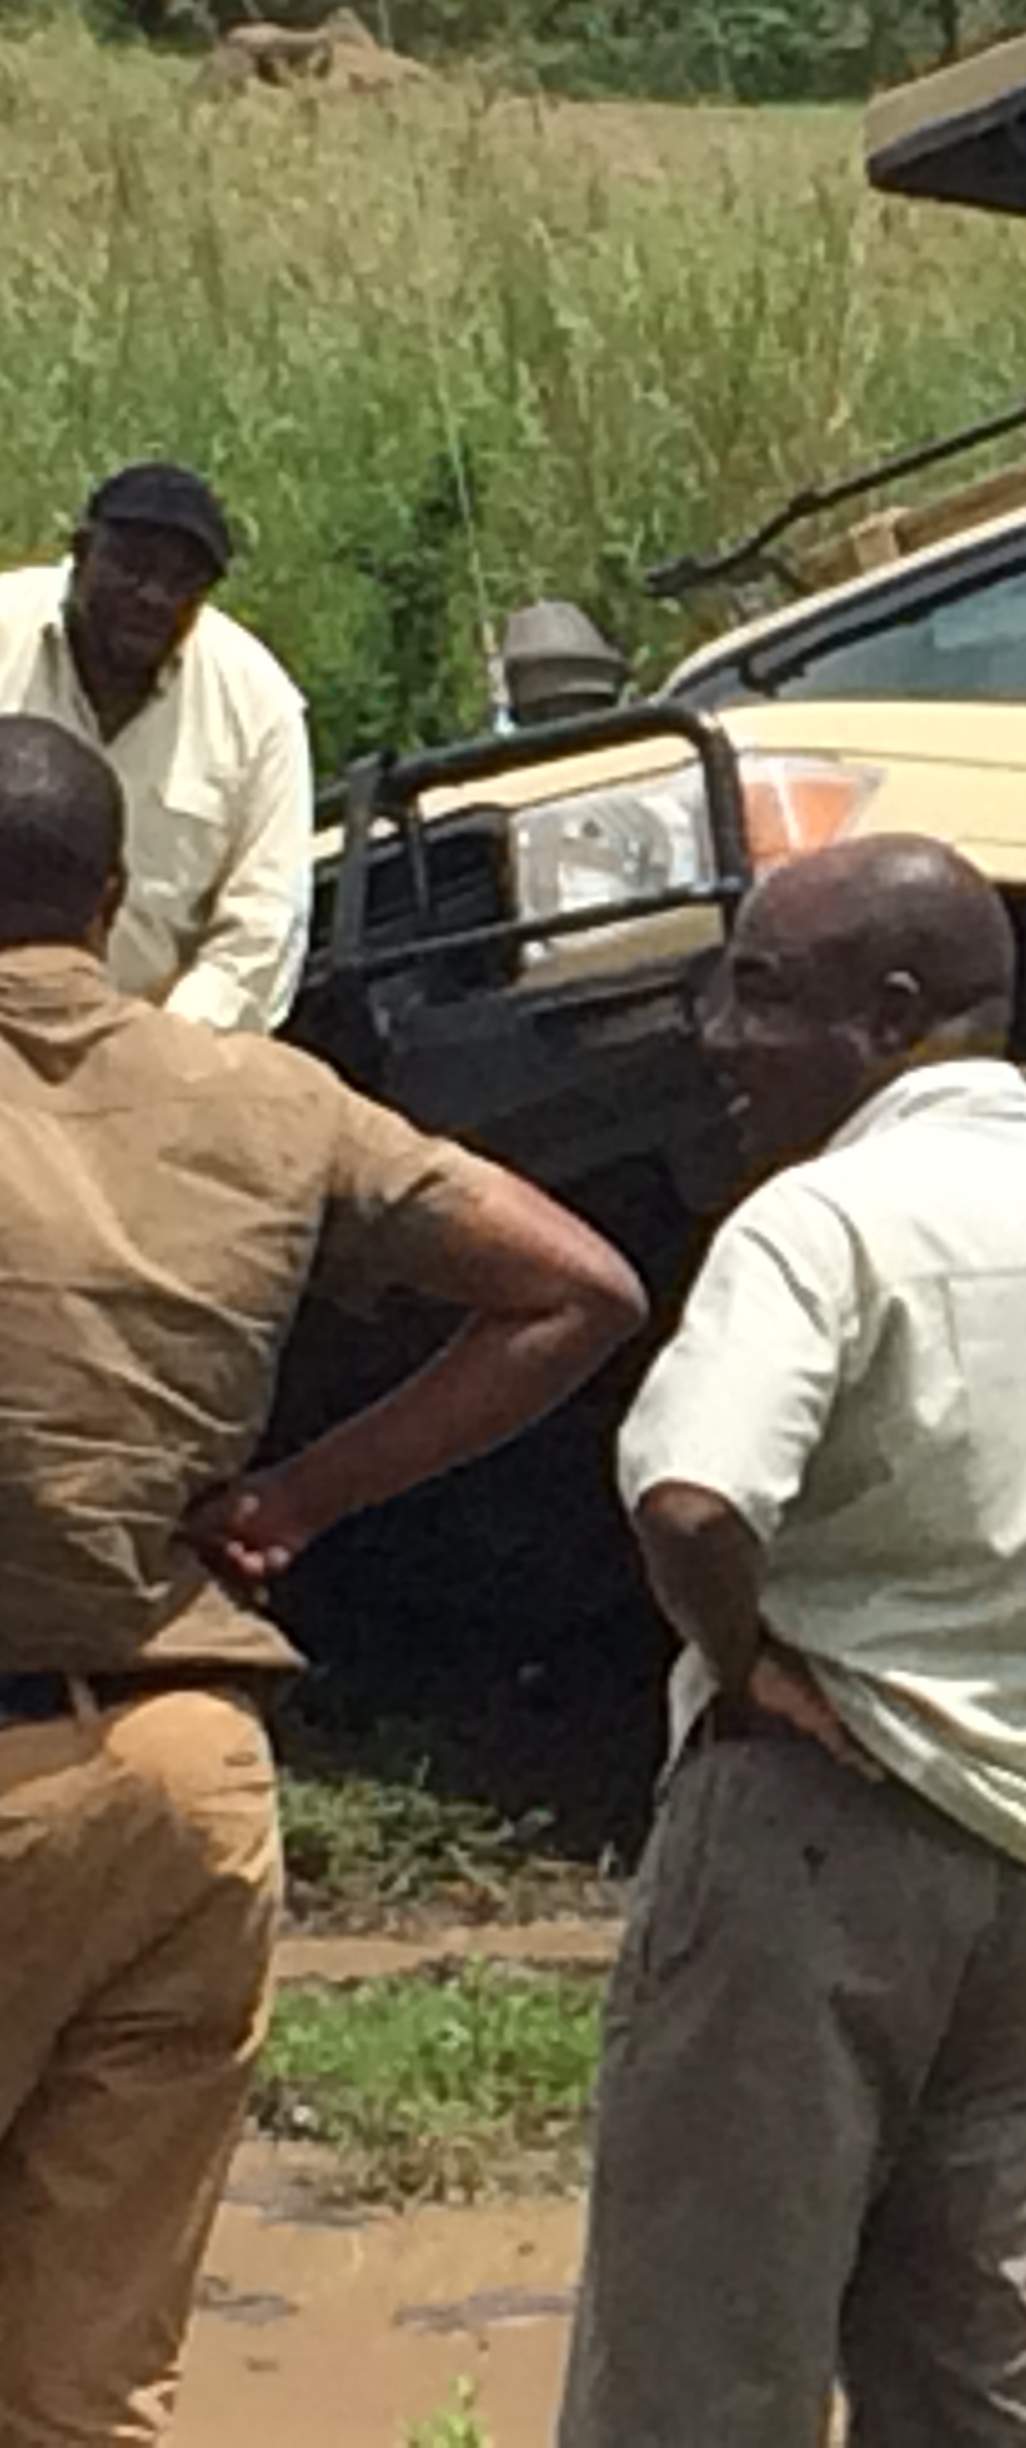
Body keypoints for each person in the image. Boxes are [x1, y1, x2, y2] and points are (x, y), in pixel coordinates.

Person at [561, 835, 1026, 2448]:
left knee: (704, 2371)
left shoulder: (816, 1223)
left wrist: (751, 1674)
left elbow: (689, 1502)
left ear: (889, 1015)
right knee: (998, 2382)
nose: (721, 1039)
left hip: (811, 1844)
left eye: (758, 991)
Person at [0, 713, 645, 2446]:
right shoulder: (268, 1099)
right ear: (117, 900)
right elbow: (574, 1287)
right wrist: (298, 1495)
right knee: (87, 2386)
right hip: (184, 1777)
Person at [0, 462, 315, 1033]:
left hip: (159, 1057)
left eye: (182, 582)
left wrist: (153, 1045)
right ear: (81, 550)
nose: (152, 597)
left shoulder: (259, 707)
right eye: (133, 566)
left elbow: (263, 928)